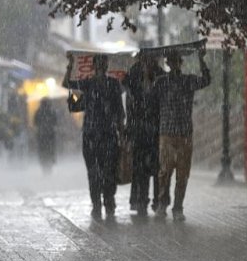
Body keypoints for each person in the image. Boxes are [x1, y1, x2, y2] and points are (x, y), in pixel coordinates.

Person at [63, 54, 125, 220]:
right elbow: (67, 84)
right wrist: (70, 65)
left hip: (108, 135)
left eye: (103, 64)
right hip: (92, 135)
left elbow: (119, 111)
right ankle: (98, 204)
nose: (101, 67)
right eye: (99, 64)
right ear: (95, 66)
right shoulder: (88, 84)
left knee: (108, 171)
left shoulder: (113, 84)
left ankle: (108, 202)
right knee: (94, 172)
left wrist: (121, 131)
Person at [152, 48, 210, 221]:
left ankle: (178, 207)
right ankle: (162, 204)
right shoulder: (160, 82)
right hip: (167, 133)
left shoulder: (188, 80)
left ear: (180, 63)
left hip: (184, 133)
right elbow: (149, 98)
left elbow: (206, 80)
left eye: (176, 61)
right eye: (171, 61)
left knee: (182, 173)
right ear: (168, 63)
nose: (174, 64)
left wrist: (202, 60)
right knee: (164, 171)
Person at [123, 53, 166, 216]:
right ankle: (141, 200)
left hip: (155, 129)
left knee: (156, 168)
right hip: (139, 130)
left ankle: (157, 200)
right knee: (140, 168)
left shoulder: (159, 75)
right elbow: (130, 98)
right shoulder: (134, 75)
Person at [34, 98, 58, 173]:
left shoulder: (38, 111)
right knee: (50, 150)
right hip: (50, 134)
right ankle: (50, 164)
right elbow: (56, 122)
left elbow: (35, 122)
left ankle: (44, 165)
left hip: (41, 135)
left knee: (42, 151)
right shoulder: (52, 111)